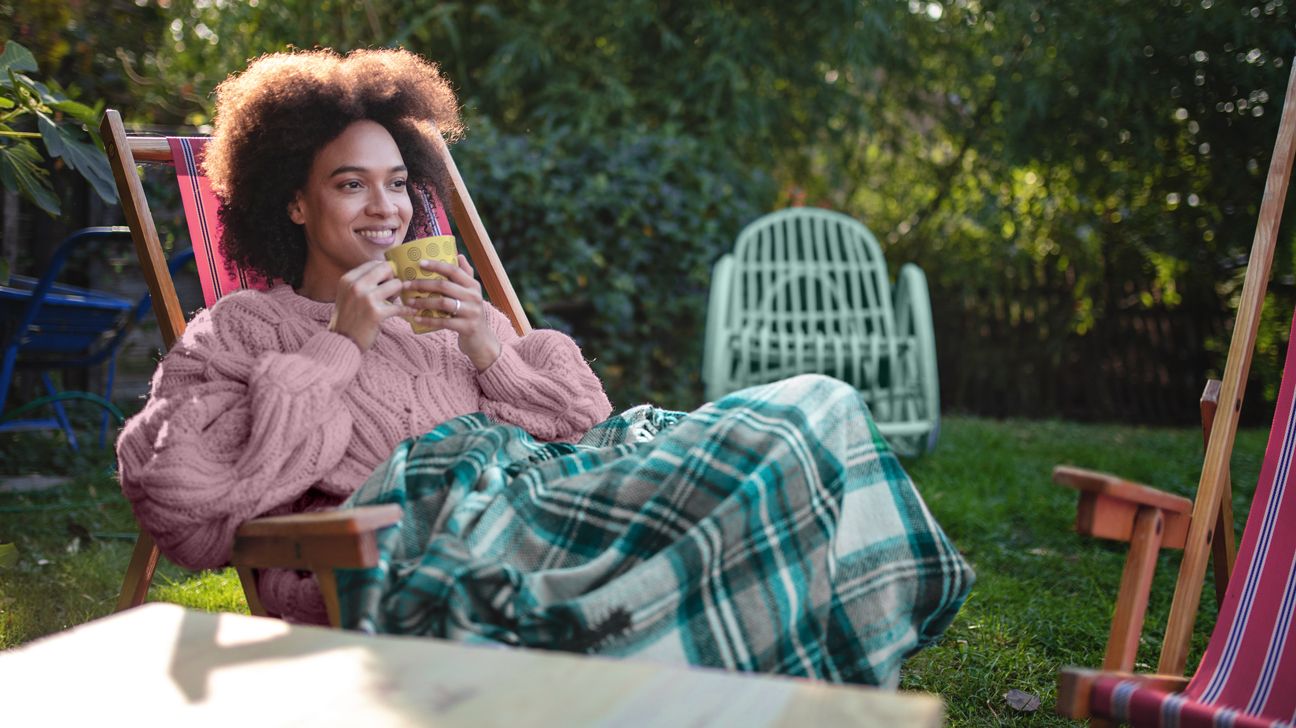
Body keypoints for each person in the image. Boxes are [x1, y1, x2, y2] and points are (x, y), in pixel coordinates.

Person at [117, 48, 973, 687]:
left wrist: (489, 348)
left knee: (817, 407)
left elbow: (590, 426)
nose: (384, 208)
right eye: (350, 185)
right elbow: (177, 501)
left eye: (396, 184)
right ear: (296, 202)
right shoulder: (245, 328)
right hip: (436, 533)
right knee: (783, 437)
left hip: (552, 491)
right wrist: (337, 345)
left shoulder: (450, 310)